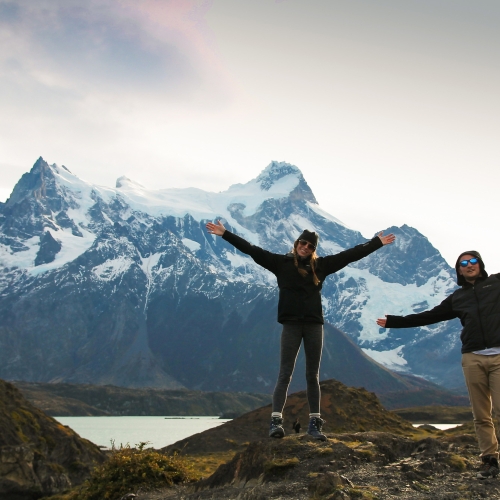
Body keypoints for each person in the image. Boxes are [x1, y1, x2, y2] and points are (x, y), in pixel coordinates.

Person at [206, 220, 395, 441]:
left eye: (310, 246)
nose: (305, 247)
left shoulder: (321, 266)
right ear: (297, 243)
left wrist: (376, 243)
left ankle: (315, 424)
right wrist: (225, 234)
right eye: (303, 243)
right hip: (291, 325)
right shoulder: (280, 263)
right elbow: (251, 250)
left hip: (314, 325)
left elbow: (349, 255)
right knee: (285, 373)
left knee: (312, 375)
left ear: (314, 249)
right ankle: (275, 422)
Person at [376, 251, 500, 479]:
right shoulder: (457, 298)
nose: (469, 265)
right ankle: (489, 459)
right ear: (459, 270)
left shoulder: (497, 283)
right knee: (481, 414)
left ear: (480, 264)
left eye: (473, 261)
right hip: (472, 357)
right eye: (464, 263)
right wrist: (395, 322)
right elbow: (429, 316)